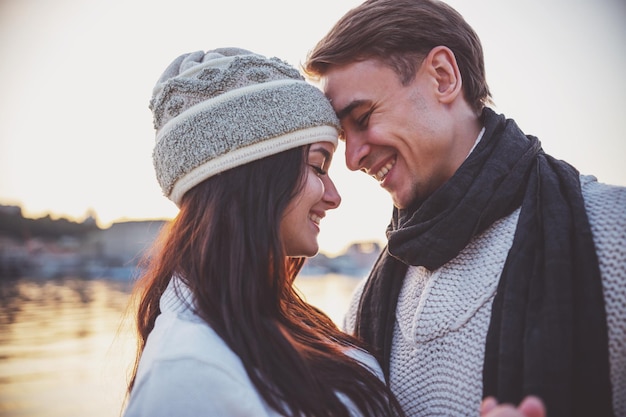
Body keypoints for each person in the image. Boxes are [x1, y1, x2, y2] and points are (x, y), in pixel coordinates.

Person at [122, 47, 544, 417]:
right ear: (252, 175)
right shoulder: (188, 375)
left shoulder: (274, 320)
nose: (334, 194)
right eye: (318, 165)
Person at [303, 1, 626, 417]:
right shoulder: (366, 301)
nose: (353, 159)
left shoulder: (613, 232)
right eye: (344, 138)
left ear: (443, 77)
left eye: (363, 117)